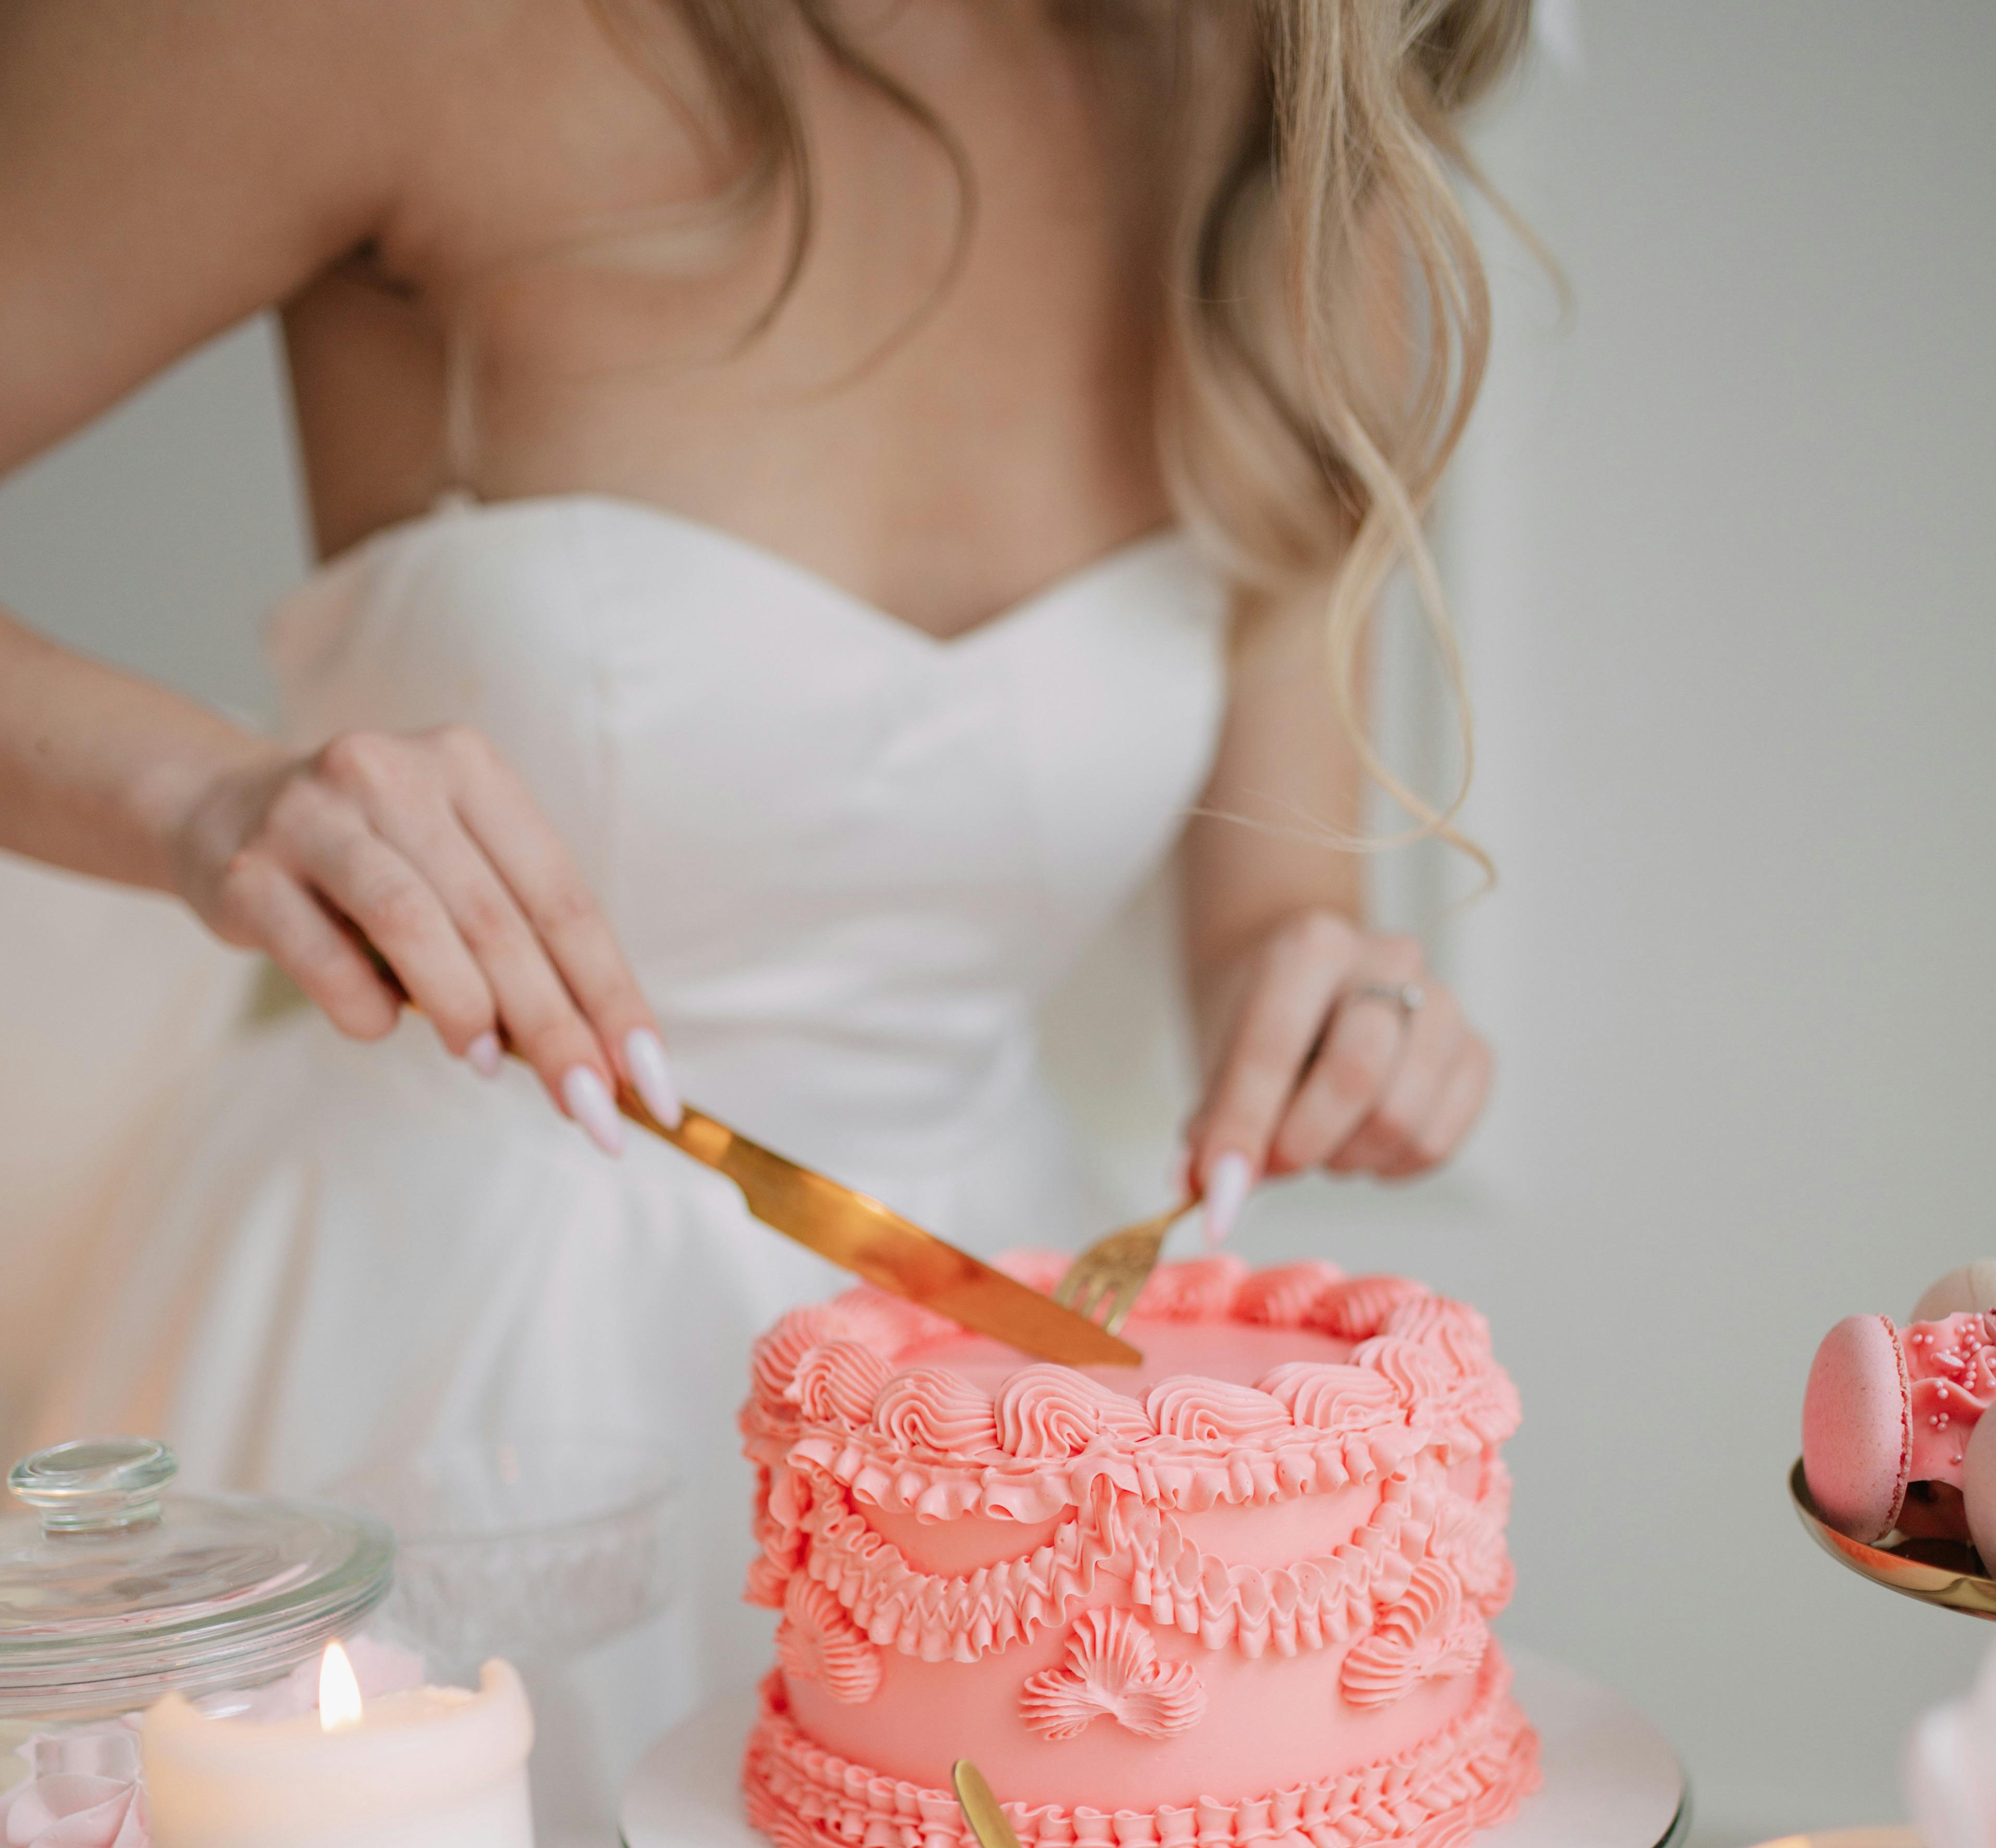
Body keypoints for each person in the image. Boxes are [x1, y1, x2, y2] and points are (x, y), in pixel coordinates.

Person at [0, 0, 1526, 1733]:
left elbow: (1277, 909)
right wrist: (202, 798)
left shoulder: (1293, 138)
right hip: (430, 1369)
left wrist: (1342, 1006)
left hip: (987, 1425)